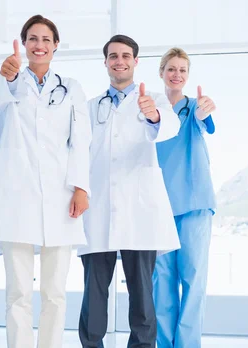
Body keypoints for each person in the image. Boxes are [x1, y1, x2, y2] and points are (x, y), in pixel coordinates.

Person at [0, 14, 91, 348]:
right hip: (16, 197)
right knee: (18, 291)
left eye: (45, 39)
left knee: (54, 292)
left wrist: (81, 186)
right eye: (33, 39)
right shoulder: (8, 83)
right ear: (24, 45)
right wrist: (6, 78)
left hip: (60, 197)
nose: (39, 45)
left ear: (55, 46)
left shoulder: (71, 88)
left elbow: (81, 140)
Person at [77, 34, 181, 348]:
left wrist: (154, 115)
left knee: (142, 292)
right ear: (106, 62)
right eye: (113, 56)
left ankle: (143, 345)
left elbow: (170, 127)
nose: (119, 61)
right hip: (99, 207)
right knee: (94, 290)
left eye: (125, 56)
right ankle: (92, 344)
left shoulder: (154, 101)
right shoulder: (91, 106)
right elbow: (78, 151)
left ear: (135, 62)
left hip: (140, 210)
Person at [152, 47, 217, 348]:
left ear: (188, 76)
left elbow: (206, 124)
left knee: (192, 280)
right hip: (158, 205)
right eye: (172, 68)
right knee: (161, 283)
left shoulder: (195, 108)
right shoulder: (152, 109)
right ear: (162, 71)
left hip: (194, 204)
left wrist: (204, 112)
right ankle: (164, 344)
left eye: (183, 70)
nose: (177, 74)